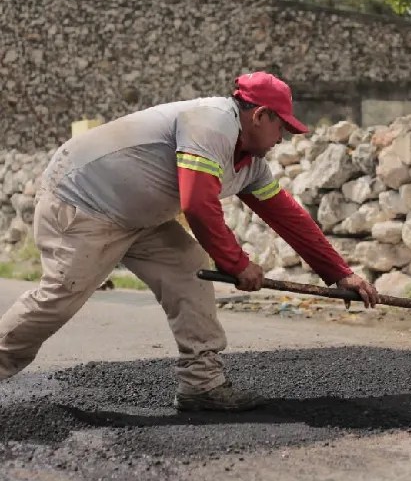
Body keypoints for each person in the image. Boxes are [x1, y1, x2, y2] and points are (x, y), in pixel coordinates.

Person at [0, 71, 379, 410]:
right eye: (282, 127)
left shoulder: (250, 163)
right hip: (83, 200)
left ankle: (202, 385)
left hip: (139, 217)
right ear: (260, 115)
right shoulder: (212, 123)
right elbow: (198, 205)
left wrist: (340, 273)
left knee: (189, 268)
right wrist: (237, 264)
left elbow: (288, 217)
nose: (283, 138)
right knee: (60, 296)